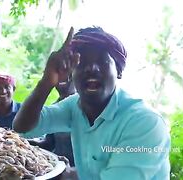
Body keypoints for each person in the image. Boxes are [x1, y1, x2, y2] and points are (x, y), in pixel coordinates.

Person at [13, 26, 170, 179]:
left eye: (103, 62)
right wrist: (47, 81)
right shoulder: (74, 106)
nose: (91, 68)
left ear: (119, 71)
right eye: (81, 62)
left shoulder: (145, 123)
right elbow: (23, 128)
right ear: (71, 72)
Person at [29, 79, 76, 167]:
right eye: (61, 75)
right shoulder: (55, 109)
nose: (65, 77)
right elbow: (49, 144)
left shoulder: (87, 106)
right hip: (60, 168)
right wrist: (23, 141)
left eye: (70, 75)